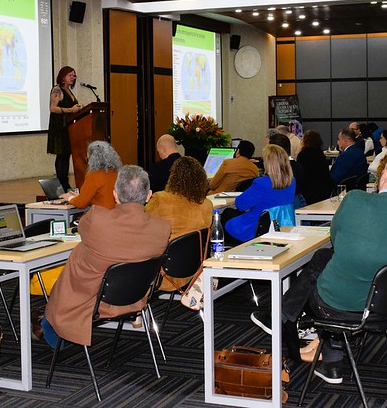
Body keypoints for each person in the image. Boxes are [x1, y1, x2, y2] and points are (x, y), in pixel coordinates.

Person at [251, 155, 387, 384]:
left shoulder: (355, 200)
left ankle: (283, 316)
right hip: (385, 307)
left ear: (383, 175)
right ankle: (329, 361)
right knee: (326, 260)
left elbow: (336, 238)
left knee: (323, 264)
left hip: (335, 305)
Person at [41, 166, 171, 348]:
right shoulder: (162, 228)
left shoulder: (97, 218)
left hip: (93, 302)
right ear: (149, 195)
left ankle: (50, 326)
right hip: (135, 298)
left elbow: (83, 230)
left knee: (78, 257)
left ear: (115, 194)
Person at [146, 156, 213, 290]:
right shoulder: (207, 205)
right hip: (193, 268)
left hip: (162, 273)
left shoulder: (160, 199)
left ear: (173, 176)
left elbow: (143, 227)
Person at [221, 144, 295, 244]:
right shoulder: (291, 181)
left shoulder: (262, 183)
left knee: (227, 213)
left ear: (267, 163)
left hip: (256, 229)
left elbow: (240, 205)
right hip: (281, 225)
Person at [47, 66, 83, 192]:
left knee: (66, 155)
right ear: (63, 76)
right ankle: (62, 184)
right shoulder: (57, 89)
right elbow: (53, 108)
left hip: (69, 127)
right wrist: (71, 110)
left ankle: (65, 183)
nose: (73, 78)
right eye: (70, 75)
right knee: (61, 155)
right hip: (59, 127)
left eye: (74, 76)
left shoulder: (69, 91)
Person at [61, 141, 121, 209]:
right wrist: (79, 196)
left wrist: (69, 197)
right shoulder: (117, 173)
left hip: (101, 215)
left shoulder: (94, 175)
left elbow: (81, 203)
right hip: (117, 214)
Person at [296, 130, 333, 205]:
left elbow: (302, 174)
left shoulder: (303, 155)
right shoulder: (320, 153)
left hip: (308, 190)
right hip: (323, 189)